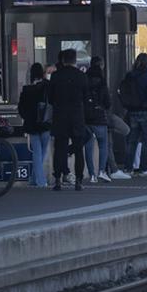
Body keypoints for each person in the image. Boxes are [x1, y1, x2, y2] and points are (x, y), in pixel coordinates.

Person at [48, 48, 89, 191]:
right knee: (78, 150)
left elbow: (50, 98)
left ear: (63, 60)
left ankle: (58, 179)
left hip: (60, 117)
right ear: (75, 60)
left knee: (60, 149)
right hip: (77, 117)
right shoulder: (81, 76)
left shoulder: (55, 76)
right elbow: (85, 98)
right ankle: (78, 180)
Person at [120, 52, 147, 177]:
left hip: (132, 112)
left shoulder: (129, 76)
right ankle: (143, 168)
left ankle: (128, 168)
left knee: (132, 141)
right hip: (146, 111)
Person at [18, 63, 52, 188]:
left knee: (37, 152)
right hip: (45, 123)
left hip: (32, 125)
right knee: (42, 153)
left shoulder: (26, 89)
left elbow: (21, 108)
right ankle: (40, 181)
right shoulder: (47, 86)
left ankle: (34, 178)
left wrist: (27, 117)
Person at [83, 57, 112, 184]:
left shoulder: (85, 80)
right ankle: (101, 171)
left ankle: (92, 175)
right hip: (100, 118)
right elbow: (108, 103)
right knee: (103, 145)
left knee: (88, 147)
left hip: (87, 118)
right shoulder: (102, 82)